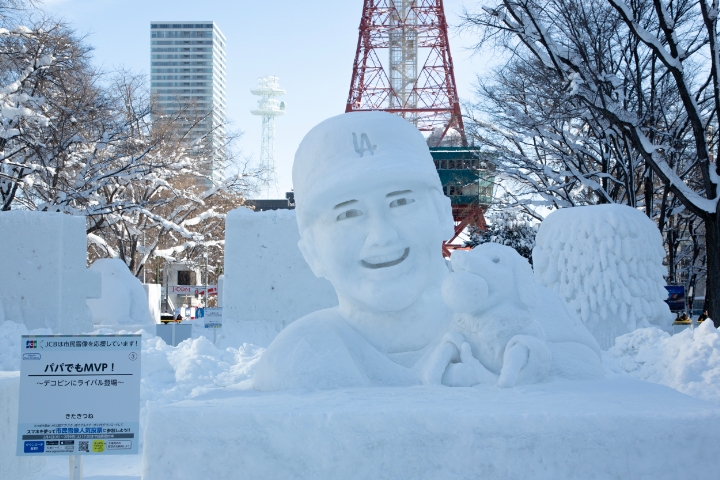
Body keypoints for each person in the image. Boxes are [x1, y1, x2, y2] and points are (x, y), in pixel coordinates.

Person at [252, 112, 601, 391]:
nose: (381, 235)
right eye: (347, 213)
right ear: (311, 251)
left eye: (401, 201)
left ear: (440, 213)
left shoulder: (541, 326)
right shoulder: (297, 360)